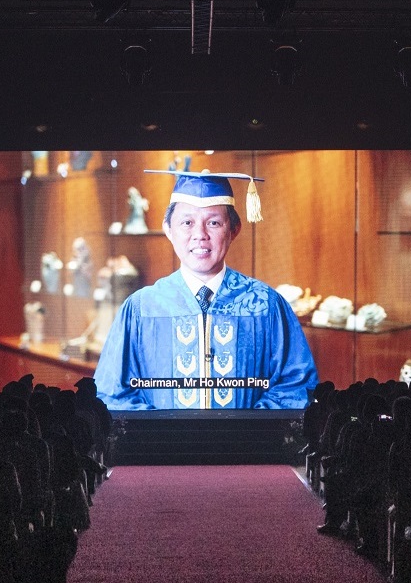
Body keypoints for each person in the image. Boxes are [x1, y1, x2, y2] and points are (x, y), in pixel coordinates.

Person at [93, 170, 318, 410]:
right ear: (169, 229)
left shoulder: (266, 304)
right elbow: (112, 393)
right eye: (187, 223)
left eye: (213, 223)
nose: (200, 235)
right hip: (165, 447)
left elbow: (296, 386)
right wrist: (164, 436)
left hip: (245, 446)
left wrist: (246, 433)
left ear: (234, 230)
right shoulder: (141, 308)